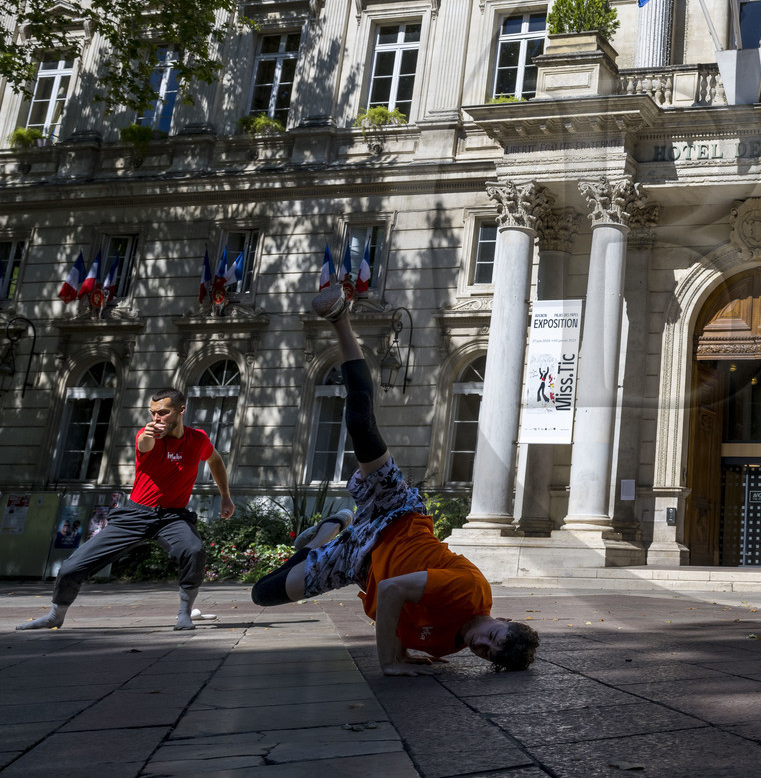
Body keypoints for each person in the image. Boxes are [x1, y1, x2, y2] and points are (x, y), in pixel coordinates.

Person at [249, 282, 539, 675]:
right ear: (502, 618)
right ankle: (341, 319)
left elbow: (398, 612)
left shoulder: (448, 646)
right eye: (495, 636)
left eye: (486, 653)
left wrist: (403, 650)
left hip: (357, 562)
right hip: (396, 517)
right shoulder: (469, 594)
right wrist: (391, 661)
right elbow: (392, 591)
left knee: (262, 594)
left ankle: (332, 527)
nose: (481, 643)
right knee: (361, 426)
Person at [16, 387, 234, 632]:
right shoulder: (146, 434)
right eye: (153, 413)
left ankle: (184, 614)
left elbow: (215, 460)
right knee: (71, 567)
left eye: (163, 412)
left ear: (181, 410)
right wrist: (150, 433)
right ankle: (56, 615)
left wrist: (225, 496)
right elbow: (145, 442)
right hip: (135, 515)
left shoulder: (198, 439)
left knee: (194, 551)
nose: (156, 418)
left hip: (173, 516)